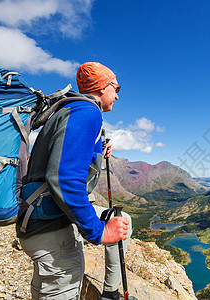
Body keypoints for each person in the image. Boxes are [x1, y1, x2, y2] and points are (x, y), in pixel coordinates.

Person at [17, 62, 133, 300]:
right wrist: (98, 232)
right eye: (116, 88)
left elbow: (61, 154)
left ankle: (110, 293)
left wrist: (97, 147)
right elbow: (64, 179)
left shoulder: (67, 109)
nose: (118, 96)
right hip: (49, 229)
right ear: (102, 87)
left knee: (123, 221)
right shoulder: (87, 112)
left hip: (38, 217)